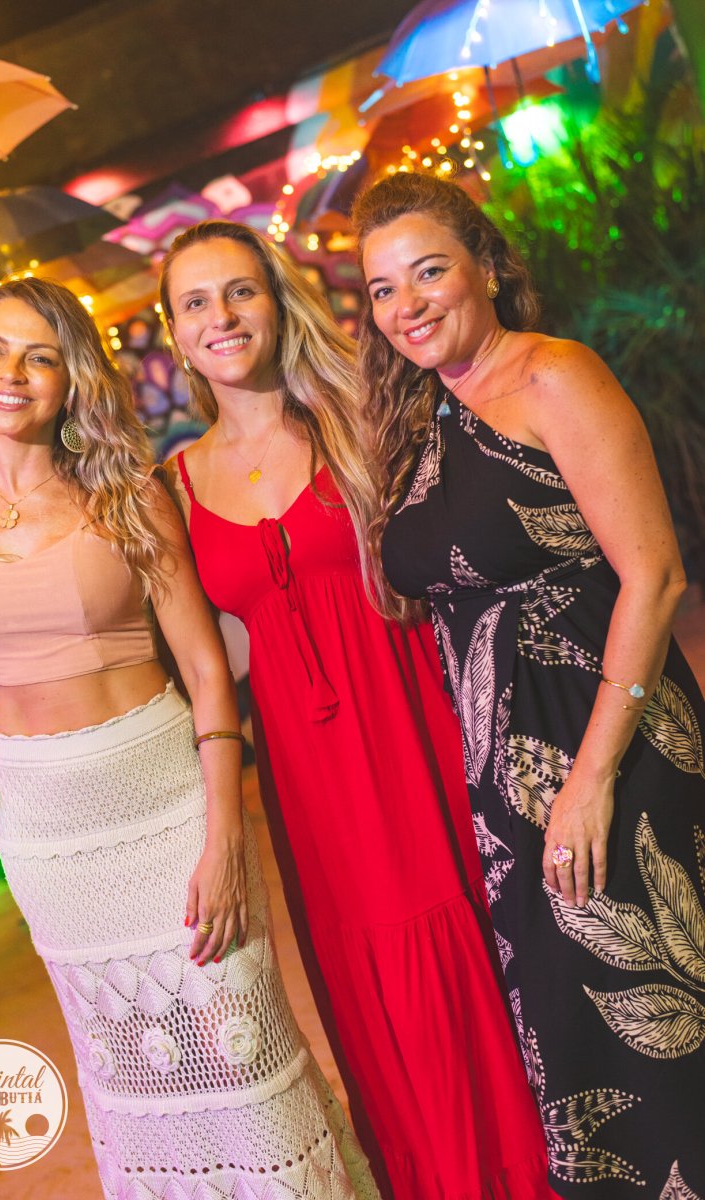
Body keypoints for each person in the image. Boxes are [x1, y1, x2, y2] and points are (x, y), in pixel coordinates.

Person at [0, 277, 380, 1200]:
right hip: (48, 836)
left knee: (243, 1055)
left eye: (40, 357)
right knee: (129, 1077)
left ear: (72, 381)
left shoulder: (127, 495)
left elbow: (207, 672)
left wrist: (226, 836)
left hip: (162, 806)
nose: (12, 373)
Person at [158, 219, 552, 1200]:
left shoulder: (360, 416)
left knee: (481, 951)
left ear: (275, 299)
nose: (221, 317)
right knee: (374, 994)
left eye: (240, 291)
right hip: (309, 781)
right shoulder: (175, 486)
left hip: (420, 729)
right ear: (173, 333)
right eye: (196, 302)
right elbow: (193, 657)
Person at [353, 170, 705, 1198]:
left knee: (659, 1018)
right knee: (577, 1033)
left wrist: (591, 779)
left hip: (612, 752)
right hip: (509, 786)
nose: (407, 305)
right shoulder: (420, 416)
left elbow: (655, 576)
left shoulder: (554, 376)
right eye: (382, 289)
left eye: (428, 272)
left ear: (488, 266)